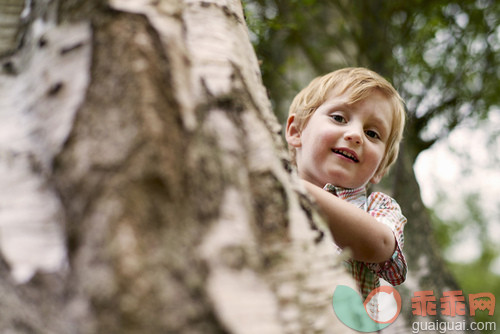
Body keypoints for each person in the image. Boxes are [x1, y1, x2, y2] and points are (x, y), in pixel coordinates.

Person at [285, 67, 407, 298]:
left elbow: (379, 245)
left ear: (379, 169)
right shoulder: (266, 187)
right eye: (339, 118)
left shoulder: (380, 207)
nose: (355, 135)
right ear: (296, 131)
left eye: (372, 133)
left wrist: (292, 186)